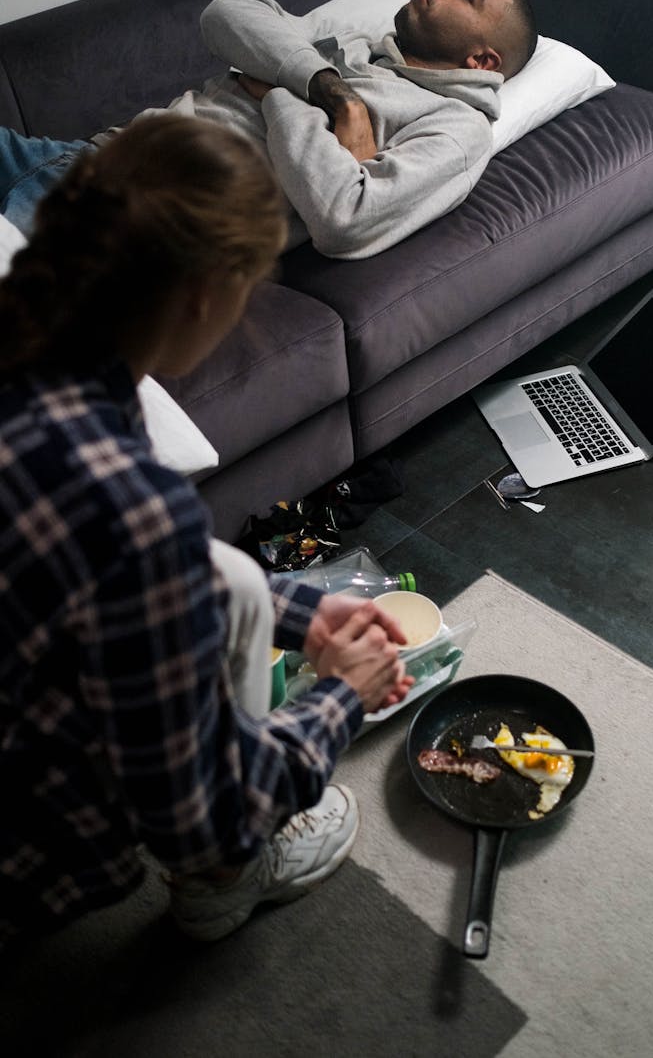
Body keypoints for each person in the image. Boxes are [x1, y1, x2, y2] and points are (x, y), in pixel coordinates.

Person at [0, 113, 414, 950]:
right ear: (205, 296)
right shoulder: (131, 506)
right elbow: (201, 815)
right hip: (25, 839)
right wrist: (343, 695)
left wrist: (302, 615)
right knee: (221, 821)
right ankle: (228, 888)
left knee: (221, 572)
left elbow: (148, 567)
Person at [0, 0, 537, 256]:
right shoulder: (350, 43)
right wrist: (331, 94)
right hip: (75, 156)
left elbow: (347, 218)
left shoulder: (457, 128)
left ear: (482, 60)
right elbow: (229, 13)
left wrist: (278, 93)